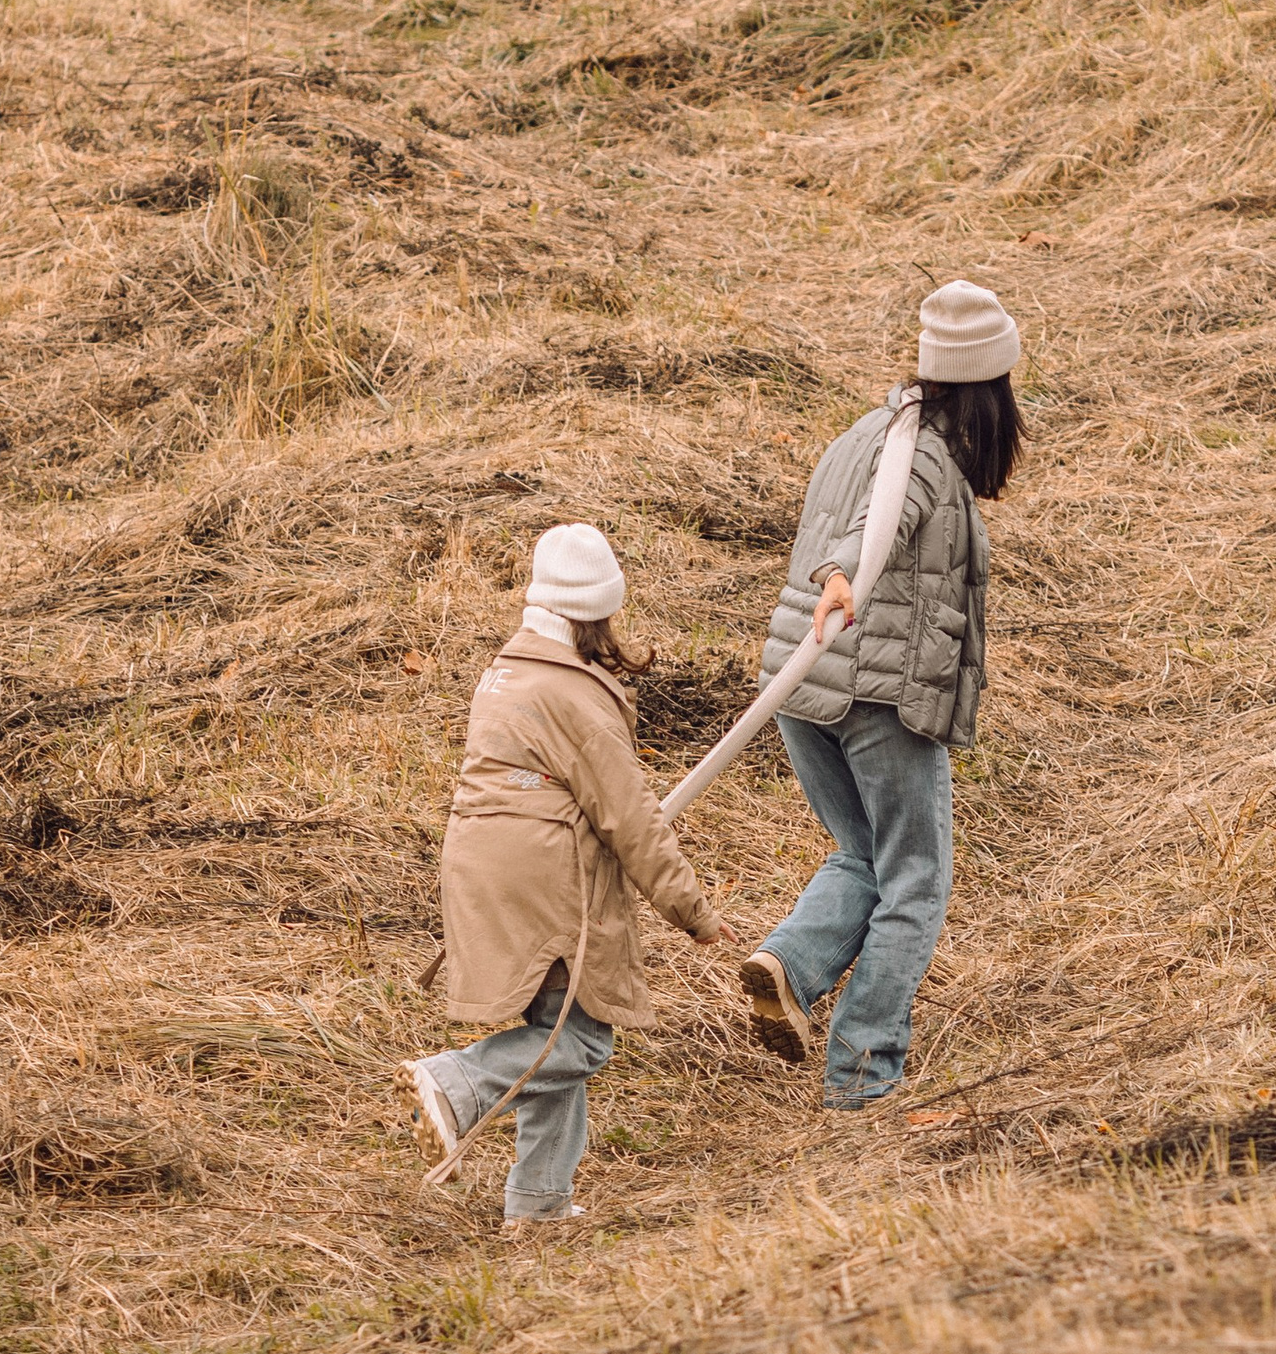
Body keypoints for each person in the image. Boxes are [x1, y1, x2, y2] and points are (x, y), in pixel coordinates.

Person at [737, 279, 1024, 1111]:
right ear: (984, 388)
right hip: (876, 691)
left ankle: (789, 964)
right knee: (915, 881)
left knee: (861, 855)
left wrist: (833, 583)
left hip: (801, 682)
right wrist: (842, 575)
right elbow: (873, 529)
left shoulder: (864, 431)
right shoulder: (922, 456)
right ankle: (862, 1075)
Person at [400, 521, 725, 1232]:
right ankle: (456, 1082)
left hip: (484, 860)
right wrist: (693, 910)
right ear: (595, 612)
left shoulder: (510, 670)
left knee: (557, 1025)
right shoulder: (574, 696)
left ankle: (540, 1203)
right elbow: (631, 818)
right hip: (540, 873)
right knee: (579, 1041)